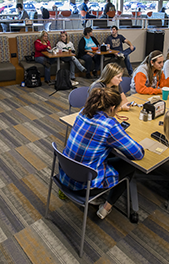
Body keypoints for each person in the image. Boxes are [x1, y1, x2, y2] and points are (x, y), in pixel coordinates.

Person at [59, 87, 144, 220]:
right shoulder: (109, 126)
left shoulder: (83, 112)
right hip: (84, 184)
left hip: (65, 173)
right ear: (112, 108)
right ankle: (106, 208)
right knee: (130, 164)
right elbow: (138, 154)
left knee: (105, 152)